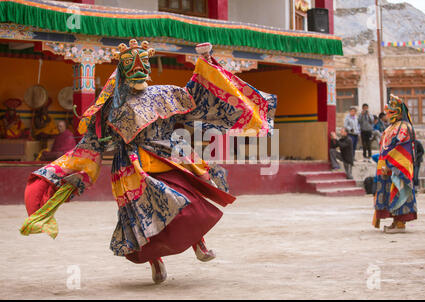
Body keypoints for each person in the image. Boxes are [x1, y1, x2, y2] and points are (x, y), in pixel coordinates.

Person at [19, 41, 277, 284]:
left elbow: (197, 94)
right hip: (131, 166)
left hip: (168, 154)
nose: (140, 72)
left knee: (185, 199)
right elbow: (92, 144)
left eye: (144, 67)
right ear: (123, 73)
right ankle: (156, 262)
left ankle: (199, 243)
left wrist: (206, 60)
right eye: (134, 69)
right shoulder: (111, 107)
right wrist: (60, 175)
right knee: (143, 217)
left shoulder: (164, 93)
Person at [372, 94, 417, 234]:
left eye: (391, 112)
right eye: (387, 112)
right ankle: (395, 221)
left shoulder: (404, 126)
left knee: (399, 191)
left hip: (399, 166)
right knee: (389, 193)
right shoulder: (390, 127)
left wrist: (390, 164)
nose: (388, 115)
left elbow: (401, 147)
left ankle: (400, 222)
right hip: (387, 166)